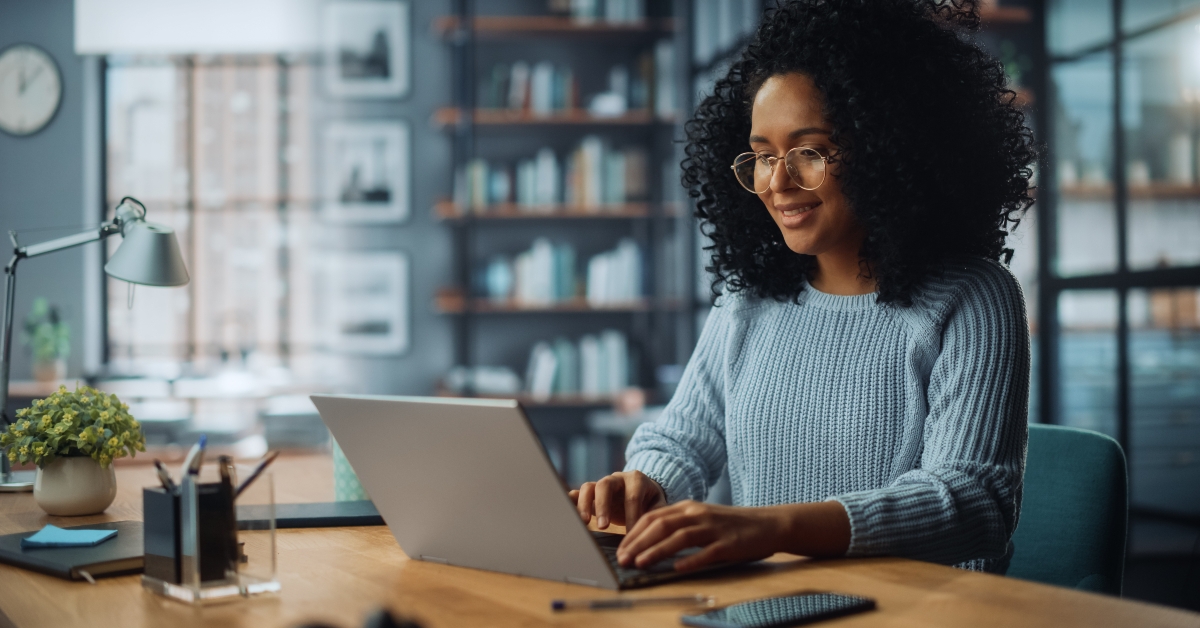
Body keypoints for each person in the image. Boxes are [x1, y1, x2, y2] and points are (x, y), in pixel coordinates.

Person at [570, 0, 1035, 575]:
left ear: (890, 147)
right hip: (763, 609)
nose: (778, 182)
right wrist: (645, 486)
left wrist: (769, 529)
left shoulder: (972, 299)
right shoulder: (748, 303)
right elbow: (682, 441)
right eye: (762, 157)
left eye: (809, 151)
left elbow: (972, 503)